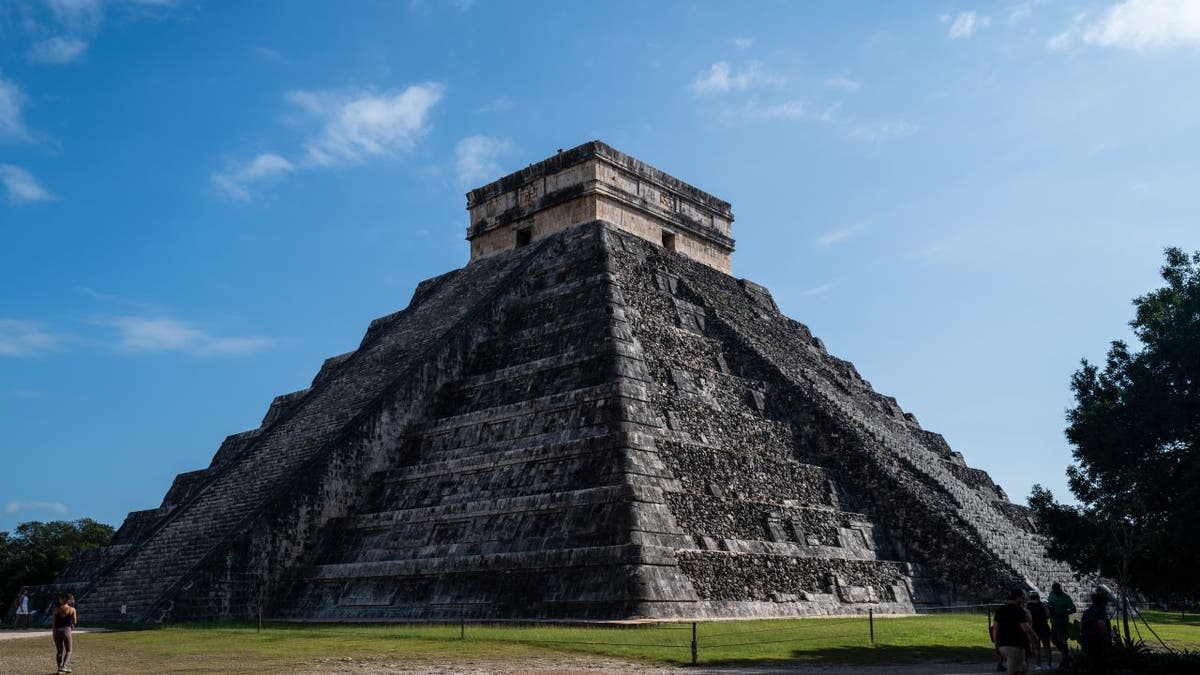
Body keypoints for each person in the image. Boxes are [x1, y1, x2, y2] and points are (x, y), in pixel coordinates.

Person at [994, 588, 1040, 675]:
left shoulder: (1000, 609)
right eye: (1023, 598)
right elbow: (1026, 629)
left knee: (1023, 667)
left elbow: (995, 628)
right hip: (1015, 646)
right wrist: (1034, 639)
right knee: (1014, 671)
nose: (1023, 600)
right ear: (1019, 598)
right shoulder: (1020, 611)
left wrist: (996, 644)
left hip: (1002, 646)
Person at [1079, 591, 1111, 675]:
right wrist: (1107, 637)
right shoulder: (1101, 611)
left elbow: (1082, 625)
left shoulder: (1087, 612)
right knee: (1100, 662)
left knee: (1091, 661)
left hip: (1087, 639)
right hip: (1098, 639)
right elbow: (1101, 624)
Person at [1047, 582, 1076, 670]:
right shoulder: (1051, 594)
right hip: (1054, 622)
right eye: (1054, 590)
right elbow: (1049, 603)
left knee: (1062, 641)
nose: (1055, 591)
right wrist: (1050, 607)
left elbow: (1073, 609)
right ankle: (1067, 657)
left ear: (1060, 589)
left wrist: (1063, 613)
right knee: (1054, 640)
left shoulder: (1065, 597)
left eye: (1056, 590)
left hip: (1062, 622)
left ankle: (1065, 661)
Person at [51, 592, 77, 674]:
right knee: (69, 650)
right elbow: (75, 621)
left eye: (60, 598)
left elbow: (54, 622)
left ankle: (59, 669)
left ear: (63, 599)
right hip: (66, 630)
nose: (59, 600)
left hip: (57, 631)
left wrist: (54, 631)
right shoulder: (72, 609)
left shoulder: (56, 609)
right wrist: (72, 624)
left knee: (59, 651)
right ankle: (64, 666)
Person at [1027, 591, 1053, 671]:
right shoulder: (1042, 605)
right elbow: (1048, 614)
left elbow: (1027, 618)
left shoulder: (1028, 606)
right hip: (1044, 627)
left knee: (1036, 648)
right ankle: (1049, 665)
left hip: (1034, 628)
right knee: (1047, 647)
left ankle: (1038, 665)